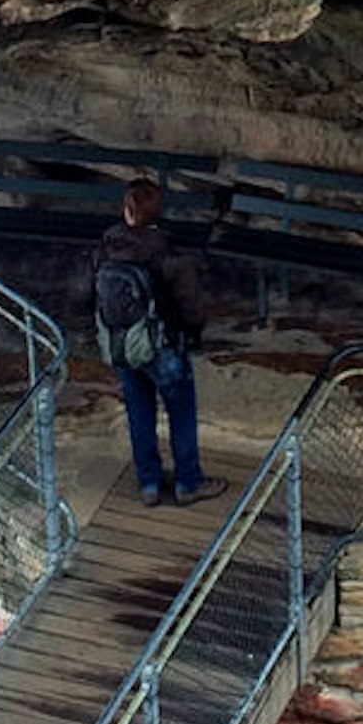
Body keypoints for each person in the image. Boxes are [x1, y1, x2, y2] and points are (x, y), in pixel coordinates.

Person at [92, 178, 213, 505]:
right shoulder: (168, 254)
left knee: (139, 412)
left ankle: (148, 483)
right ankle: (188, 482)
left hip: (123, 345)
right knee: (181, 411)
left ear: (127, 212)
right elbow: (192, 307)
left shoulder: (107, 248)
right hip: (163, 346)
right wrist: (194, 333)